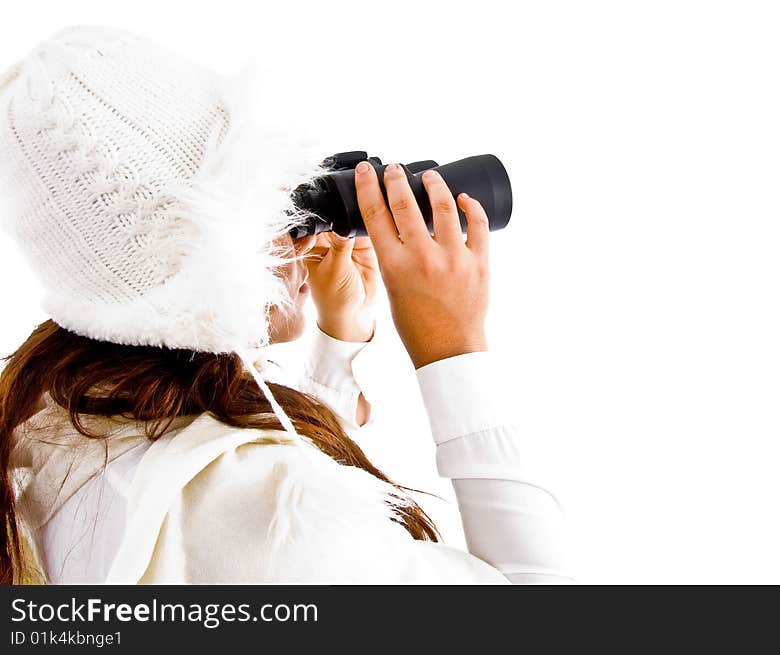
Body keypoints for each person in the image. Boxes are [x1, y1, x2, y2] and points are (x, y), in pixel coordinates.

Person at [0, 26, 572, 584]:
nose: (309, 236)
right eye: (275, 206)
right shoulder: (281, 515)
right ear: (203, 259)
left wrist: (339, 341)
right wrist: (453, 347)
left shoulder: (45, 427)